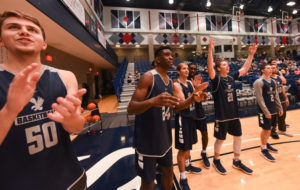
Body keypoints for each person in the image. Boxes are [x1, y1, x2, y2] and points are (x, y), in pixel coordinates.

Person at [0, 11, 86, 190]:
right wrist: (10, 110)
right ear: (1, 40)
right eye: (13, 27)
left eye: (32, 29)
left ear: (44, 44)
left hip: (70, 179)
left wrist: (72, 120)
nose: (24, 31)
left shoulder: (65, 76)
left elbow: (77, 127)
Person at [127, 46, 206, 190]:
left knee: (168, 172)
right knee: (148, 181)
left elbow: (175, 107)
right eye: (167, 55)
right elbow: (131, 108)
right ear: (157, 59)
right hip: (147, 142)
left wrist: (192, 100)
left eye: (172, 55)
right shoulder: (148, 77)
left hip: (165, 138)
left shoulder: (170, 81)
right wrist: (152, 101)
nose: (171, 57)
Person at [207, 37, 257, 175]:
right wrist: (210, 50)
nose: (227, 66)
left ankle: (236, 160)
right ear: (218, 68)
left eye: (227, 64)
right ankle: (216, 160)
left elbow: (245, 68)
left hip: (234, 114)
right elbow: (210, 68)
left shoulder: (231, 78)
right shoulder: (216, 79)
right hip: (222, 116)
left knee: (238, 137)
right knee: (221, 139)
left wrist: (251, 55)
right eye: (223, 64)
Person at [173, 63, 208, 190]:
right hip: (183, 119)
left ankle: (188, 165)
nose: (187, 70)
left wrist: (201, 92)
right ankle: (182, 178)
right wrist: (196, 91)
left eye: (187, 68)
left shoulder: (189, 82)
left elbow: (196, 99)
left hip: (191, 117)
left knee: (189, 146)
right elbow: (184, 102)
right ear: (178, 71)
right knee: (182, 149)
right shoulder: (176, 85)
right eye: (184, 68)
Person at [253, 63, 283, 162]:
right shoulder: (259, 82)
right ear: (262, 70)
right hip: (264, 111)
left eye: (271, 68)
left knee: (270, 128)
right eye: (268, 68)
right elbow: (259, 99)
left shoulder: (273, 81)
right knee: (265, 130)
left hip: (273, 109)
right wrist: (266, 111)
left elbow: (276, 96)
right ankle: (263, 149)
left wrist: (280, 108)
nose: (270, 70)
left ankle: (266, 143)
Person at [188, 63, 210, 169]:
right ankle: (188, 158)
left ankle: (204, 152)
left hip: (199, 111)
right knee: (189, 138)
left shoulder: (199, 79)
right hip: (189, 112)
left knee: (205, 134)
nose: (192, 70)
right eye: (191, 68)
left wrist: (204, 94)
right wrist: (195, 88)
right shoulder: (183, 81)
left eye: (194, 69)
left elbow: (205, 95)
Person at [270, 60, 293, 138]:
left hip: (281, 98)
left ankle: (282, 130)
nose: (275, 69)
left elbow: (282, 87)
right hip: (274, 100)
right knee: (274, 117)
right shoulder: (268, 78)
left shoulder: (278, 77)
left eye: (275, 68)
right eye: (273, 68)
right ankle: (272, 132)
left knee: (282, 115)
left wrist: (286, 98)